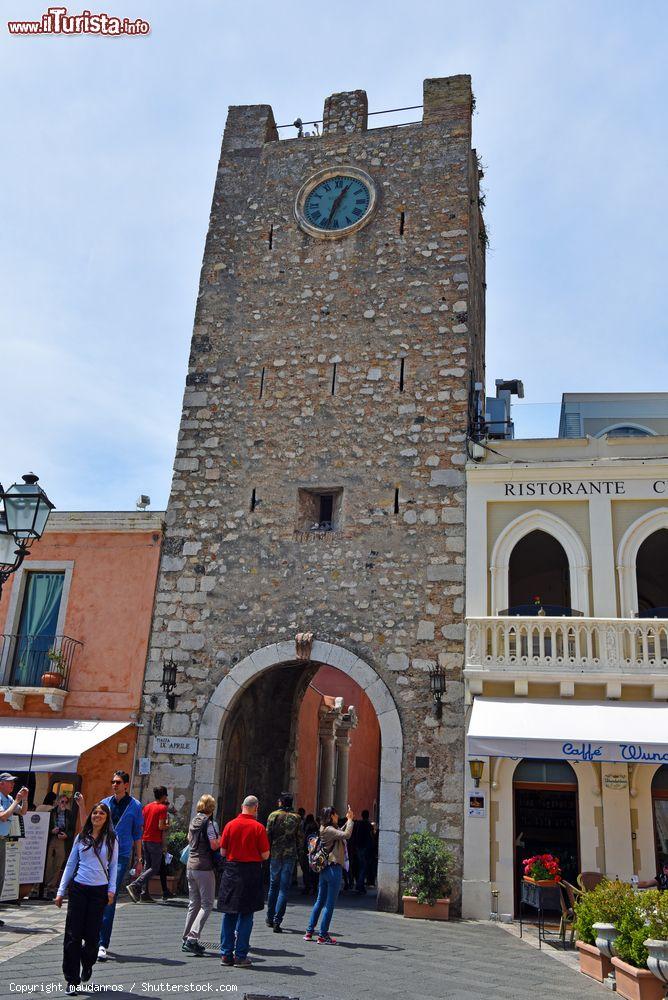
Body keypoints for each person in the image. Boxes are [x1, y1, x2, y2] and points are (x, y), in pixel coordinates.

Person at [78, 770, 143, 962]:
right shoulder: (104, 803)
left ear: (126, 785)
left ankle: (102, 943)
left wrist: (139, 859)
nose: (114, 785)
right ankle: (92, 937)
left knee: (110, 896)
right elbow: (91, 826)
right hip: (102, 855)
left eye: (118, 782)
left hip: (121, 856)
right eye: (113, 781)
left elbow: (137, 833)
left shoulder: (135, 806)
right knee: (96, 895)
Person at [55, 801, 119, 993]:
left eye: (101, 813)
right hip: (79, 889)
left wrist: (111, 890)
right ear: (90, 816)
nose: (97, 816)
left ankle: (88, 962)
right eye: (94, 813)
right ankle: (72, 979)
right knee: (73, 936)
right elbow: (70, 864)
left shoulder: (112, 839)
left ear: (107, 818)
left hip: (99, 891)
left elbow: (114, 866)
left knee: (92, 937)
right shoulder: (81, 837)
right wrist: (60, 891)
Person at [218, 795, 270, 968]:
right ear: (256, 808)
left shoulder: (230, 825)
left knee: (229, 913)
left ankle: (226, 954)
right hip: (251, 872)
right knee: (246, 914)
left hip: (232, 871)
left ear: (242, 806)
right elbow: (265, 855)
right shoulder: (259, 828)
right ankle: (240, 955)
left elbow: (223, 852)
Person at [304, 804, 354, 945]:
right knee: (329, 904)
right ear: (331, 816)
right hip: (333, 869)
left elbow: (339, 832)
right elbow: (346, 835)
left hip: (325, 869)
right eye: (336, 814)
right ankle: (323, 935)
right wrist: (350, 820)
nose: (338, 816)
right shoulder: (330, 830)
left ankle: (309, 931)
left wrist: (346, 822)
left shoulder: (324, 828)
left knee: (320, 901)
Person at [182, 794, 221, 955]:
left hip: (190, 866)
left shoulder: (194, 821)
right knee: (207, 904)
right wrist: (221, 839)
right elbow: (213, 845)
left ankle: (186, 938)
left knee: (194, 903)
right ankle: (192, 938)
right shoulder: (209, 823)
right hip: (204, 867)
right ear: (211, 808)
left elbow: (189, 838)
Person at [265, 792, 303, 932]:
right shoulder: (297, 818)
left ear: (281, 802)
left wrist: (267, 851)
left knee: (273, 885)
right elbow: (300, 838)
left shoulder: (273, 816)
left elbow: (267, 834)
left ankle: (269, 918)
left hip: (275, 854)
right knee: (284, 888)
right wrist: (299, 853)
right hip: (289, 855)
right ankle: (277, 920)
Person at [126, 786, 169, 903]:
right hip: (155, 840)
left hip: (145, 839)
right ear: (164, 796)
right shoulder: (163, 808)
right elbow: (161, 826)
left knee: (147, 866)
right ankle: (135, 885)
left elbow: (142, 824)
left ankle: (144, 894)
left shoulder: (147, 807)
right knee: (154, 868)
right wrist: (168, 825)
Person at [0, 773, 29, 926]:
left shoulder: (9, 799)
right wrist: (17, 799)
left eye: (13, 783)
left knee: (1, 877)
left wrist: (24, 798)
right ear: (1, 784)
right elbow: (3, 816)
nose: (12, 785)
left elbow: (23, 812)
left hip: (3, 840)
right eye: (9, 782)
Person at [44, 793, 77, 896]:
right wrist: (51, 831)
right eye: (62, 802)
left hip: (62, 840)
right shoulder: (51, 812)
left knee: (58, 863)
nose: (64, 804)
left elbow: (72, 829)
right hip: (51, 838)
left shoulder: (69, 814)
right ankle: (41, 886)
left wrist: (66, 835)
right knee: (48, 862)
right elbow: (45, 827)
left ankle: (51, 887)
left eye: (66, 802)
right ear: (58, 802)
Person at [352, 809, 374, 894]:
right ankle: (360, 885)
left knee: (360, 866)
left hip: (358, 847)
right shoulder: (368, 824)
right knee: (364, 867)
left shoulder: (358, 824)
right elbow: (371, 836)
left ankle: (359, 884)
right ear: (368, 815)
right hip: (366, 848)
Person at [300, 814, 318, 895]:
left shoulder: (307, 828)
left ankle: (307, 887)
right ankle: (314, 887)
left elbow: (304, 841)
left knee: (306, 870)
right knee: (313, 870)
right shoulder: (316, 827)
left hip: (306, 851)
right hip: (314, 852)